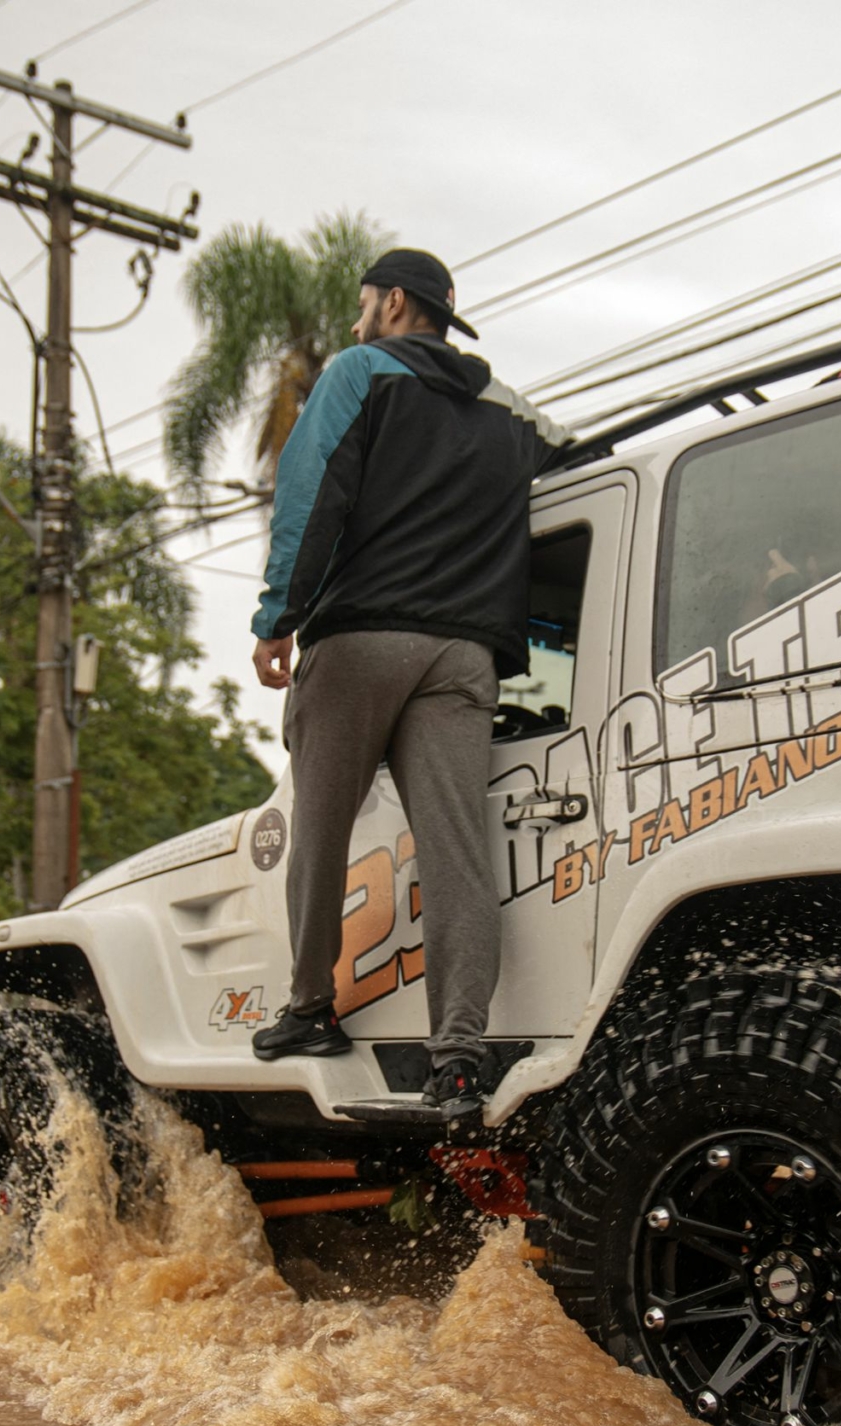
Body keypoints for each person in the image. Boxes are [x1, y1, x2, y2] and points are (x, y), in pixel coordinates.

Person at [245, 247, 569, 1116]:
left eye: (363, 306)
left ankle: (311, 1008)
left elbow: (311, 496)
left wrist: (277, 613)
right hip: (464, 655)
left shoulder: (359, 372)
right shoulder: (510, 408)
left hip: (361, 640)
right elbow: (573, 458)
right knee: (458, 848)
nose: (355, 323)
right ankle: (458, 1055)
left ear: (393, 303)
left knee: (319, 828)